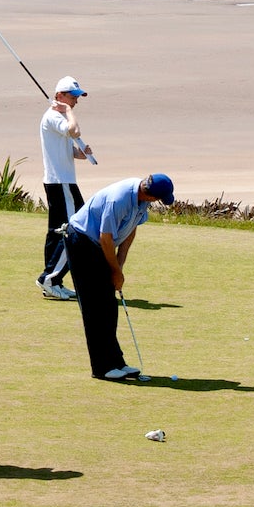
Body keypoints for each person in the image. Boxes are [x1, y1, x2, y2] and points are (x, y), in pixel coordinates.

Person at [63, 173, 175, 380]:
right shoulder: (120, 199)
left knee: (108, 307)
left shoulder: (141, 200)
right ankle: (101, 367)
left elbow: (131, 230)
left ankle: (116, 362)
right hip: (82, 242)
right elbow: (105, 237)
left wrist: (120, 266)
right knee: (94, 308)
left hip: (97, 246)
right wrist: (114, 271)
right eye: (158, 199)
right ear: (149, 195)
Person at [36, 75, 95, 301]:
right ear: (60, 96)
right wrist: (67, 112)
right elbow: (74, 131)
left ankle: (52, 281)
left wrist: (81, 154)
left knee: (56, 232)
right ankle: (50, 279)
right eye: (72, 97)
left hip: (60, 180)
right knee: (76, 229)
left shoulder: (55, 117)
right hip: (61, 182)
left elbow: (66, 147)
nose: (75, 102)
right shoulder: (53, 116)